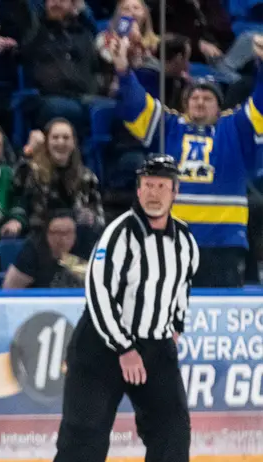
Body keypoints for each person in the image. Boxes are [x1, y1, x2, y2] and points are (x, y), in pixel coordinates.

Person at [45, 154, 200, 462]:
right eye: (148, 184)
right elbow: (97, 293)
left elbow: (182, 287)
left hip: (155, 346)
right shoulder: (118, 234)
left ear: (175, 191)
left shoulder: (186, 241)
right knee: (85, 433)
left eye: (163, 185)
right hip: (101, 347)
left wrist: (175, 324)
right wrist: (125, 349)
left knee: (172, 429)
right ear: (138, 188)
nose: (154, 192)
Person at [111, 34, 263, 287]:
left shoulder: (235, 128)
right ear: (185, 104)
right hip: (173, 240)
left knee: (217, 319)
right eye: (194, 98)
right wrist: (123, 71)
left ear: (219, 105)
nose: (200, 102)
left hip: (223, 242)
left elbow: (260, 105)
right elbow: (135, 106)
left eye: (207, 98)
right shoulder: (170, 126)